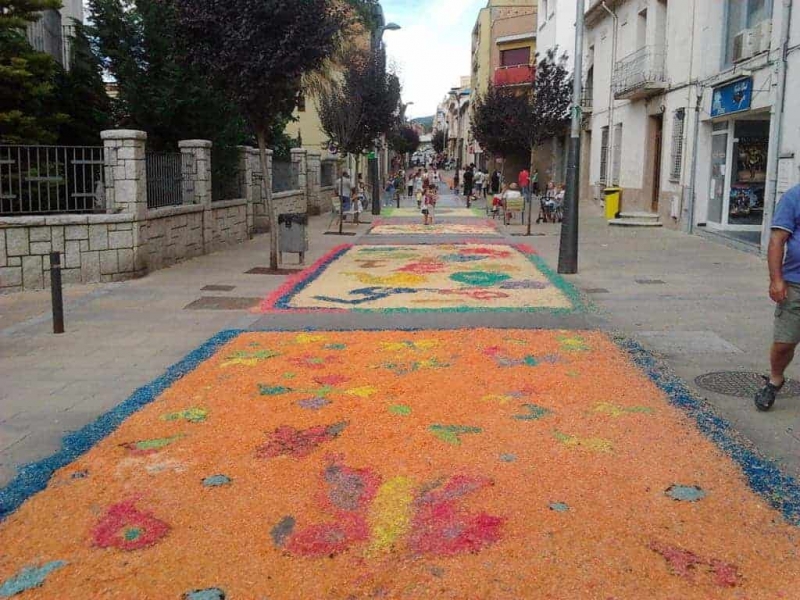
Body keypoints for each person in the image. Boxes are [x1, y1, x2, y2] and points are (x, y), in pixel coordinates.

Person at [755, 183, 800, 410]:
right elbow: (777, 240)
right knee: (784, 343)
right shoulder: (794, 196)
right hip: (796, 284)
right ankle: (775, 380)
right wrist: (776, 279)